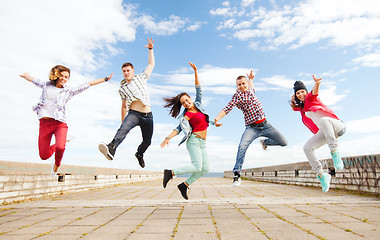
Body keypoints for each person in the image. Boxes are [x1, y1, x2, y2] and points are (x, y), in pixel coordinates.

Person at [19, 65, 113, 178]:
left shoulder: (69, 91)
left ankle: (56, 165)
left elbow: (88, 84)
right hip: (44, 124)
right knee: (44, 155)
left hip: (59, 124)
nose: (64, 79)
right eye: (62, 76)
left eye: (66, 77)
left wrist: (106, 79)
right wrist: (26, 76)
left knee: (60, 147)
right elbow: (34, 80)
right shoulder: (46, 85)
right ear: (57, 75)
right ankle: (65, 141)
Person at [214, 70, 287, 186]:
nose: (242, 86)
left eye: (244, 83)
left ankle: (265, 142)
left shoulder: (251, 89)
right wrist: (217, 119)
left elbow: (252, 86)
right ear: (237, 86)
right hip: (251, 128)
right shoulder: (237, 96)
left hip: (265, 125)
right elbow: (227, 108)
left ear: (246, 84)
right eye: (239, 85)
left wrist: (251, 79)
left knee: (284, 142)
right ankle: (237, 175)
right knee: (242, 146)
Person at [99, 38, 155, 168]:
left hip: (148, 116)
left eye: (128, 70)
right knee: (122, 130)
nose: (126, 73)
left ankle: (139, 154)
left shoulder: (141, 77)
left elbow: (151, 65)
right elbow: (124, 106)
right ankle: (111, 148)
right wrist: (123, 121)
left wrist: (150, 50)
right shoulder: (122, 88)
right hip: (133, 114)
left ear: (133, 71)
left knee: (147, 141)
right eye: (124, 71)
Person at [161, 62, 213, 200]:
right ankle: (170, 173)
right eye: (183, 103)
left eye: (186, 100)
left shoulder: (199, 104)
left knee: (205, 168)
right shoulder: (186, 116)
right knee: (197, 166)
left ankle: (184, 185)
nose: (186, 103)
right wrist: (168, 137)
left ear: (190, 98)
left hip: (202, 142)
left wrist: (196, 71)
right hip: (194, 141)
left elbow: (199, 90)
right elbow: (178, 129)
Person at [291, 75, 346, 192]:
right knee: (307, 147)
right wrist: (293, 101)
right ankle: (322, 175)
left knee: (324, 120)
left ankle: (335, 153)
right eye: (298, 93)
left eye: (302, 92)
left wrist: (317, 84)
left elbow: (314, 92)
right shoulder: (302, 108)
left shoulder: (311, 98)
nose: (301, 94)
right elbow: (294, 108)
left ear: (306, 91)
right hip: (326, 132)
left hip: (338, 126)